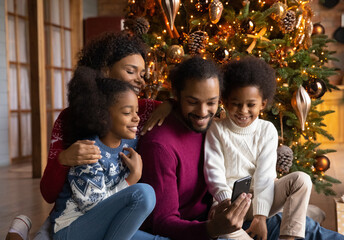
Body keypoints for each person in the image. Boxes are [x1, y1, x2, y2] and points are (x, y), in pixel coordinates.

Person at [6, 31, 172, 240]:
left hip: (122, 215)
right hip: (76, 217)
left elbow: (192, 108)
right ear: (105, 70)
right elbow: (50, 194)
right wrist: (63, 159)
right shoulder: (73, 119)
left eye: (142, 74)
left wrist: (171, 104)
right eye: (131, 71)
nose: (141, 81)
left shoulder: (146, 110)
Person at [137, 56, 253, 240]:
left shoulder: (213, 128)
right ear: (177, 95)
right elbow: (162, 223)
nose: (202, 112)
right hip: (193, 230)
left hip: (216, 214)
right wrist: (213, 228)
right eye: (192, 102)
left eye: (211, 102)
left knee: (307, 227)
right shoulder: (159, 146)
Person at [204, 56, 312, 240]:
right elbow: (213, 171)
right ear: (226, 102)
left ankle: (288, 237)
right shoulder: (216, 129)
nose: (243, 111)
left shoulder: (267, 130)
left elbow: (264, 177)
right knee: (225, 232)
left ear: (262, 104)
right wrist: (225, 202)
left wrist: (260, 217)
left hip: (259, 200)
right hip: (228, 205)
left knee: (302, 180)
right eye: (236, 104)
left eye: (251, 105)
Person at [50, 67, 155, 240]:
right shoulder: (88, 152)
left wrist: (170, 104)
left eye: (136, 111)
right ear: (103, 116)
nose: (136, 118)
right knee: (144, 194)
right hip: (71, 230)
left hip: (105, 227)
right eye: (128, 113)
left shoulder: (130, 143)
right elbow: (93, 207)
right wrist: (132, 180)